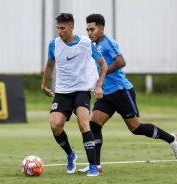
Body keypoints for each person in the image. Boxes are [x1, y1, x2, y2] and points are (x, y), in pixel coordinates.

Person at [78, 13, 177, 173]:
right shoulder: (91, 46)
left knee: (136, 128)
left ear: (101, 29)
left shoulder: (108, 43)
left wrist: (103, 73)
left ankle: (171, 139)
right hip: (106, 94)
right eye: (87, 30)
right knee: (94, 125)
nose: (90, 33)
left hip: (121, 91)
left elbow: (121, 61)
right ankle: (96, 165)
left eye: (92, 29)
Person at [41, 13, 108, 176]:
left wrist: (99, 85)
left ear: (71, 27)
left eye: (63, 28)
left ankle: (93, 166)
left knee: (83, 123)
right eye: (58, 28)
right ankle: (70, 154)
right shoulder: (54, 45)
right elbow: (50, 66)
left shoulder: (85, 43)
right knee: (55, 125)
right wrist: (43, 85)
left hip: (81, 90)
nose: (59, 31)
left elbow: (103, 65)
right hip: (63, 92)